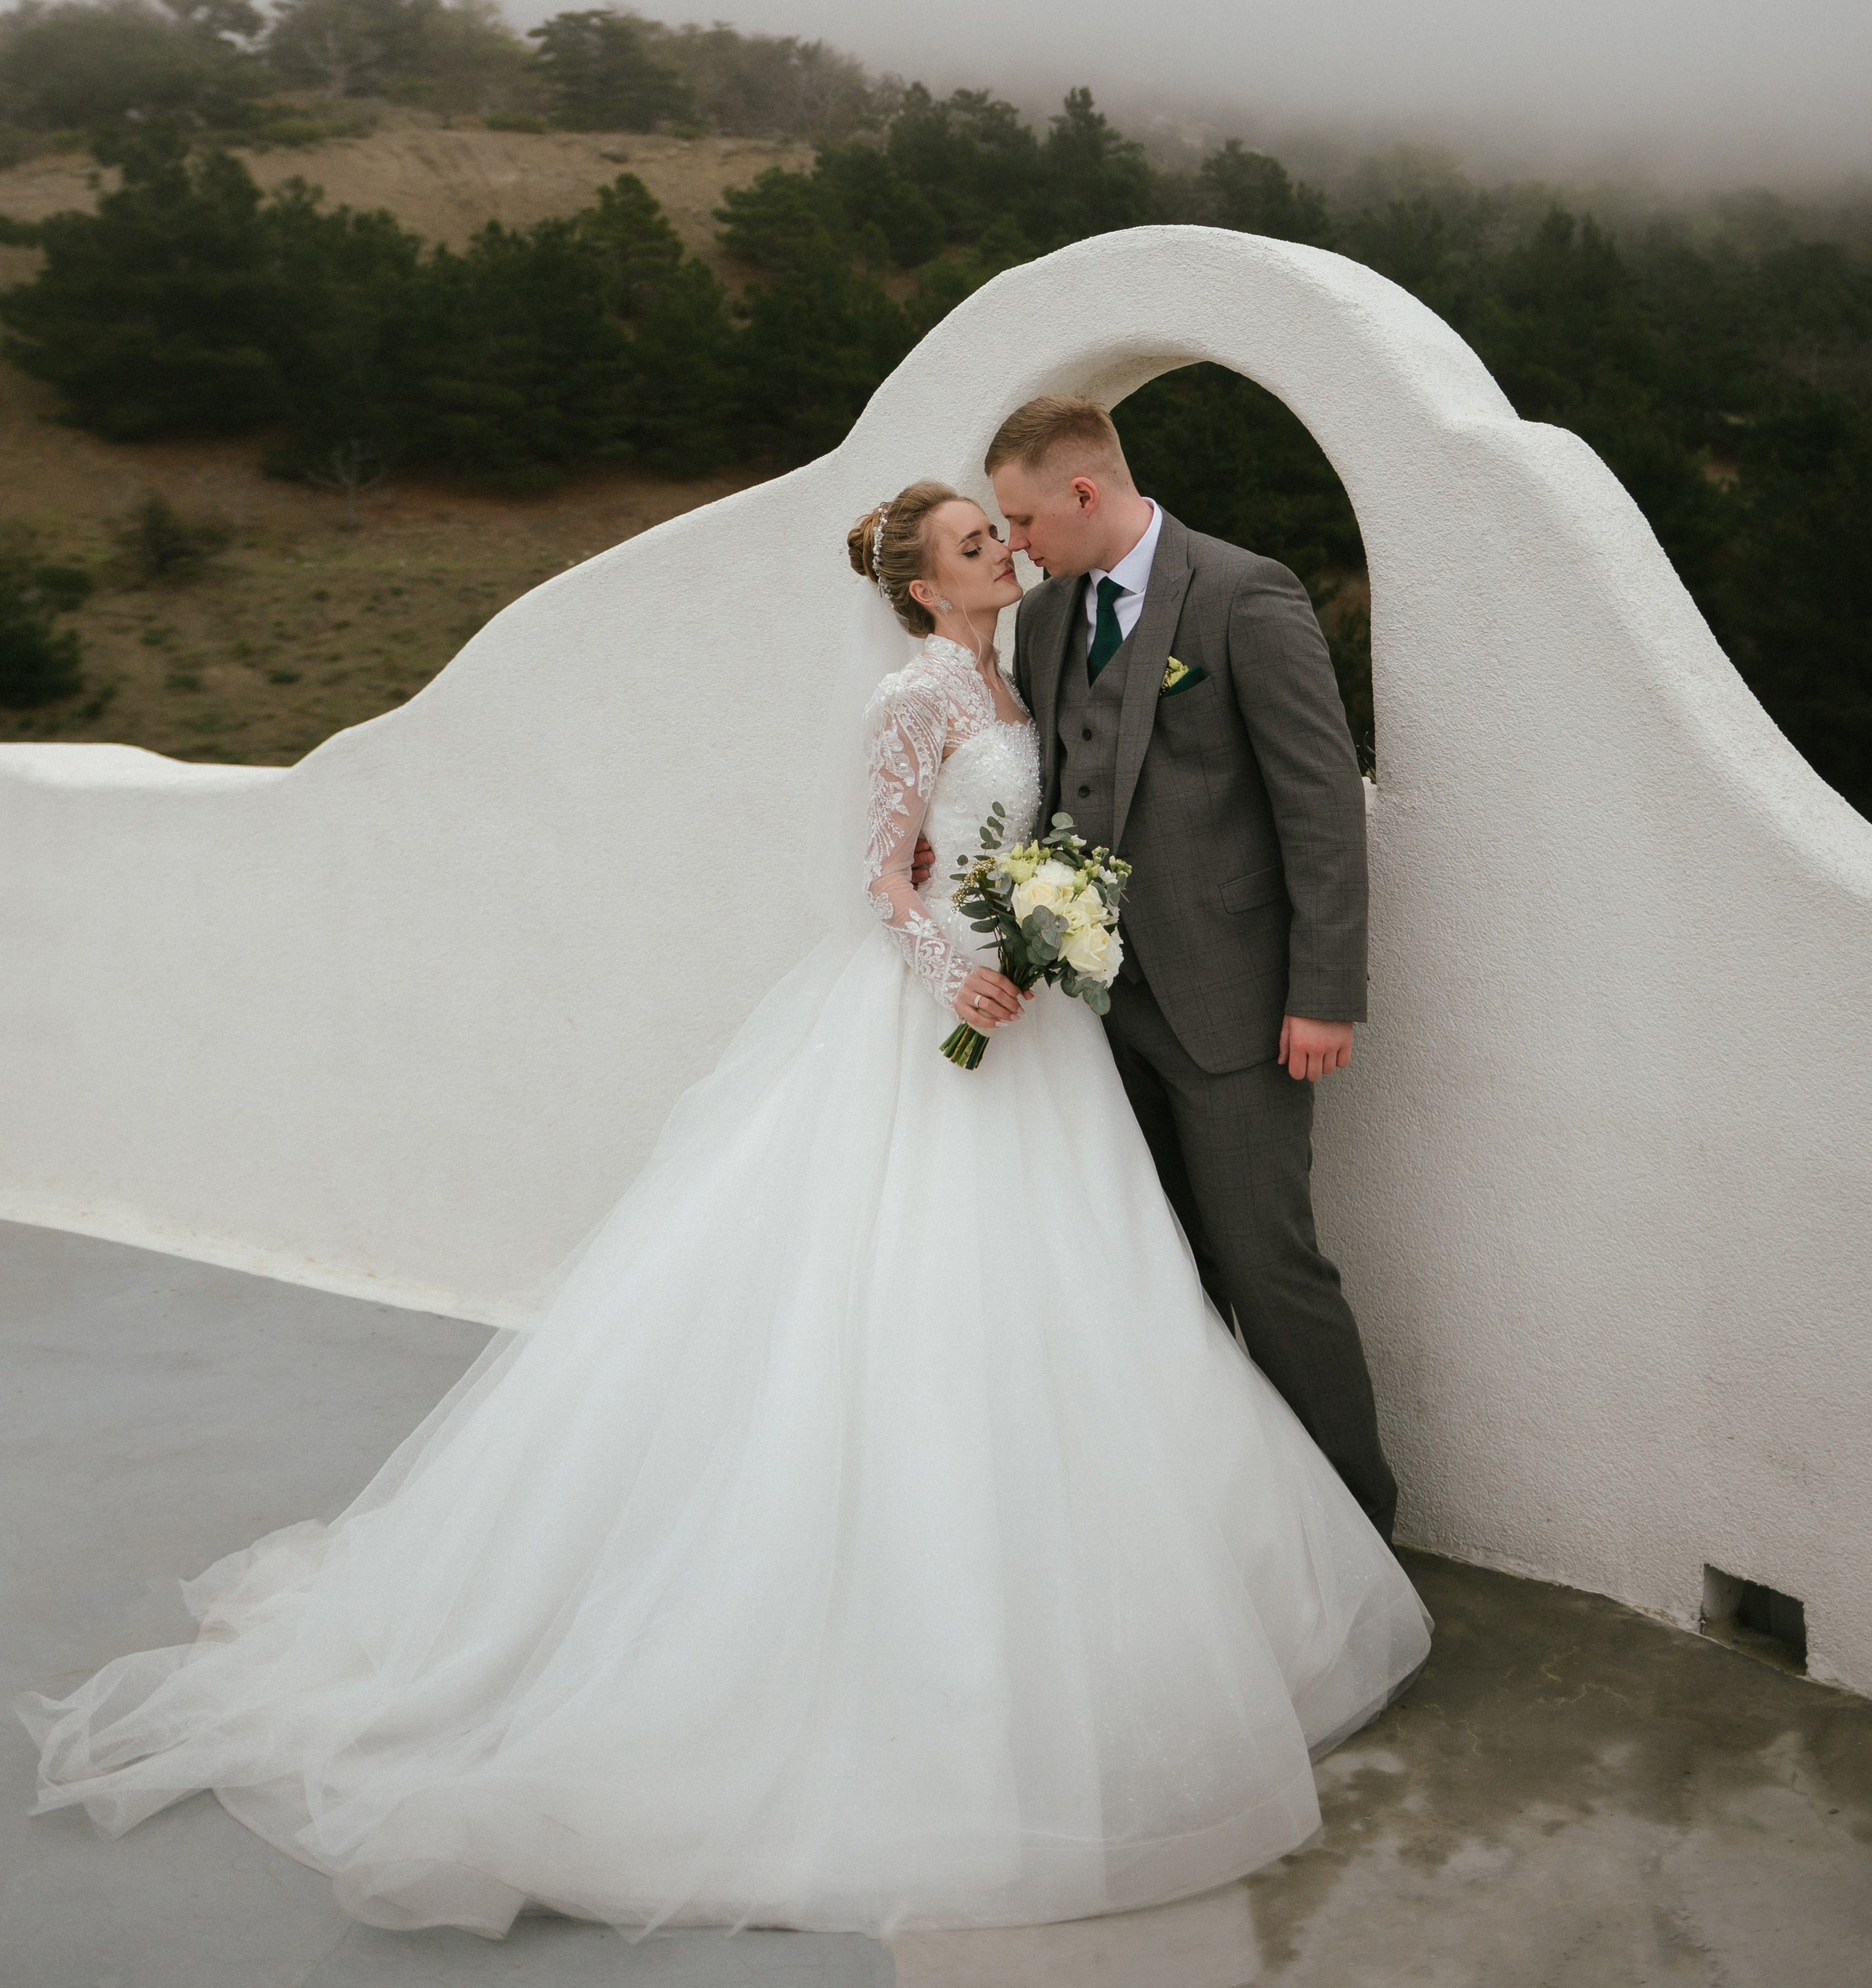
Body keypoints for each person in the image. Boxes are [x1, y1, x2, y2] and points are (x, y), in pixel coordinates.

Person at [18, 480, 1429, 1944]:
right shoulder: (912, 693)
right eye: (973, 545)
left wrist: (1038, 918)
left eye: (1002, 535)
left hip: (1045, 1040)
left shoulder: (1022, 660)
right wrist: (958, 967)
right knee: (893, 1315)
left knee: (1092, 1300)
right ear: (921, 589)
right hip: (942, 1022)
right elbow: (881, 881)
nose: (1004, 552)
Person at [984, 396, 1397, 1538]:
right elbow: (1061, 783)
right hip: (1102, 1015)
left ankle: (1363, 1535)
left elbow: (1320, 805)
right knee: (1164, 1272)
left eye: (1023, 518)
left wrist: (1323, 990)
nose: (1013, 543)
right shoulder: (1046, 619)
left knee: (1271, 1268)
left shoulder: (1241, 592)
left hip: (1239, 1008)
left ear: (1084, 491)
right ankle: (1235, 1531)